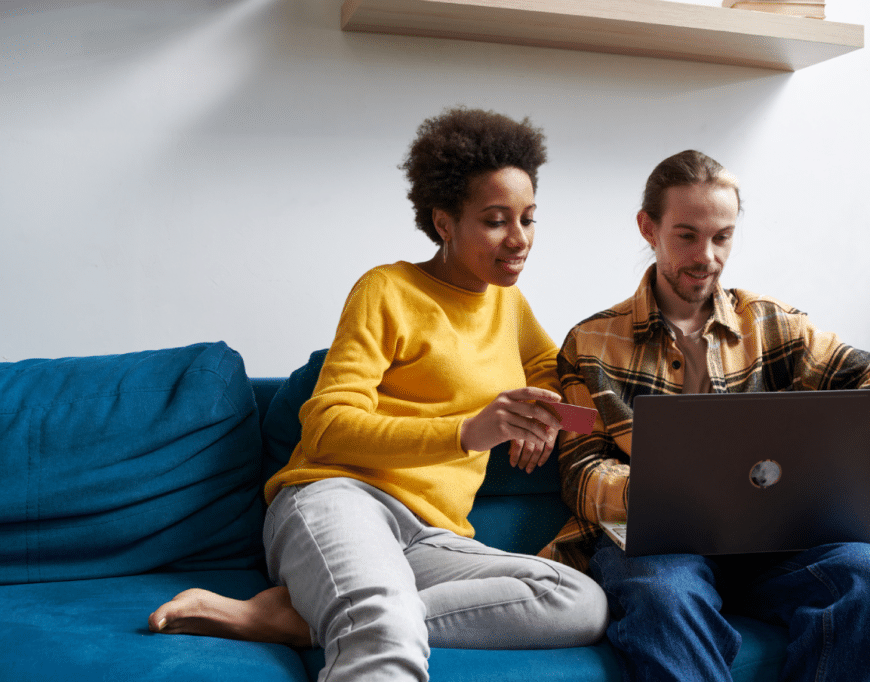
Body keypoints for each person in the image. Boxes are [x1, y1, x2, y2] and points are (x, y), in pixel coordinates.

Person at [149, 107, 609, 681]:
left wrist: (540, 411)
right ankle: (362, 616)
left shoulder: (506, 304)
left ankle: (305, 620)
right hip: (339, 498)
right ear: (444, 222)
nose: (519, 240)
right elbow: (326, 424)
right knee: (384, 635)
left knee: (578, 600)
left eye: (528, 218)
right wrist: (469, 431)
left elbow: (549, 367)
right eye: (496, 221)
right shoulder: (387, 289)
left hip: (432, 537)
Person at [538, 150, 870, 682]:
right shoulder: (591, 343)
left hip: (774, 545)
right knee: (665, 596)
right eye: (687, 235)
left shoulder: (771, 323)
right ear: (648, 228)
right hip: (657, 548)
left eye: (722, 236)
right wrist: (660, 494)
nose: (707, 256)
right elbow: (580, 471)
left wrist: (861, 430)